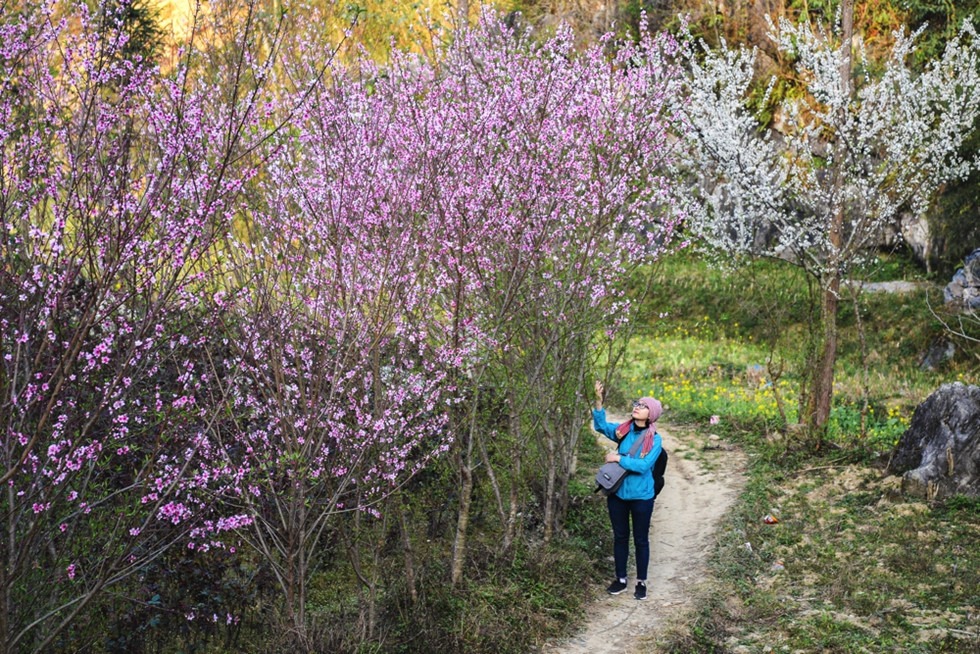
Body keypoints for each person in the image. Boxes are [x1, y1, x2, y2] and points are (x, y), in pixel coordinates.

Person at [592, 380, 663, 601]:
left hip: (642, 497)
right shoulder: (624, 431)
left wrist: (619, 458)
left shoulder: (655, 440)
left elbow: (643, 466)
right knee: (620, 537)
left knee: (641, 539)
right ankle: (620, 579)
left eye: (642, 406)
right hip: (618, 494)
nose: (636, 407)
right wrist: (598, 400)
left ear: (651, 414)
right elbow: (601, 426)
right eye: (636, 404)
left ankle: (641, 582)